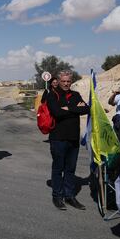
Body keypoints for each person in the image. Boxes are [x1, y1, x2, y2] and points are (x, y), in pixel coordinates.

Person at [45, 70, 89, 210]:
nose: (66, 83)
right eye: (63, 81)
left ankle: (69, 196)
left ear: (71, 81)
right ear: (58, 81)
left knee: (70, 169)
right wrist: (75, 109)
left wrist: (68, 108)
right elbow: (56, 112)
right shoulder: (52, 95)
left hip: (73, 138)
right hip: (58, 138)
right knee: (58, 168)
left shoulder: (75, 95)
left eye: (68, 81)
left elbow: (86, 109)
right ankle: (57, 196)